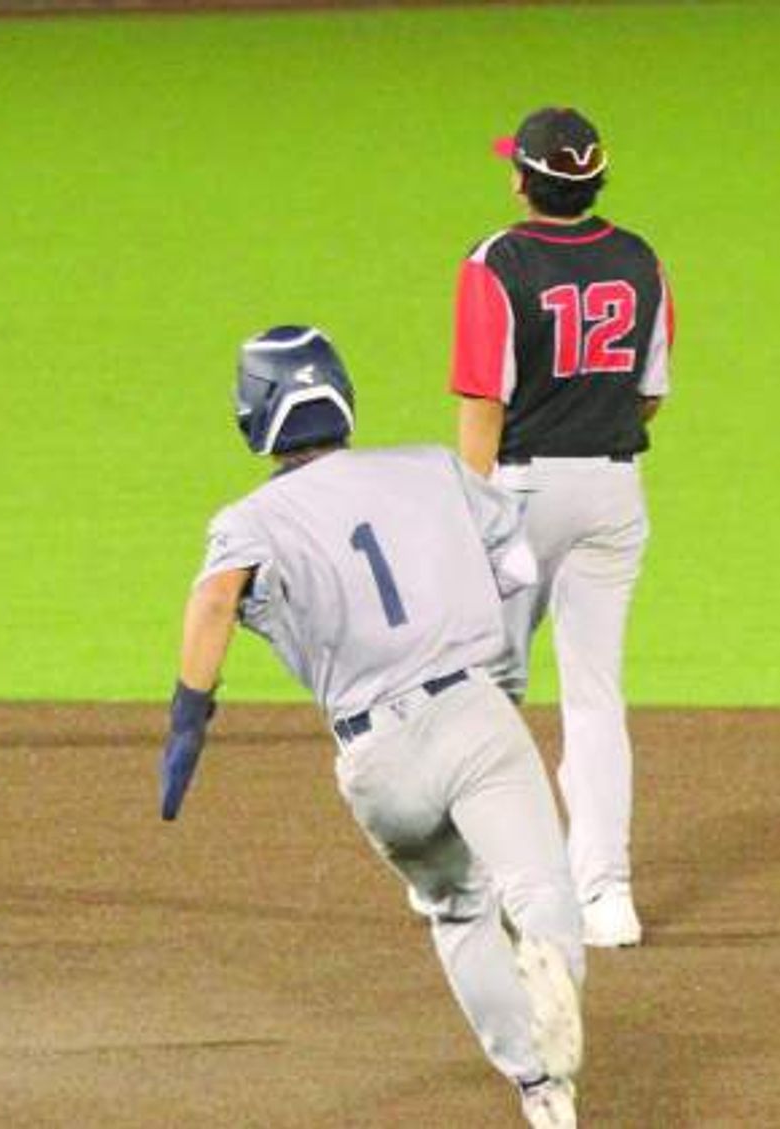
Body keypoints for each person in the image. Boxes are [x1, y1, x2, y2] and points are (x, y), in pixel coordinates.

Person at [159, 325, 585, 1128]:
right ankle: (550, 969)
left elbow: (216, 599)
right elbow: (519, 561)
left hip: (375, 760)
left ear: (254, 418)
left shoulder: (248, 519)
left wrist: (189, 721)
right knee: (538, 886)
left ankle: (537, 1087)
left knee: (457, 906)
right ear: (342, 396)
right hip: (469, 711)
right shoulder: (432, 468)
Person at [449, 107, 675, 947]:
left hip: (518, 492)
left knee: (488, 689)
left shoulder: (494, 262)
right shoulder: (641, 258)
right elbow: (651, 391)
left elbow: (483, 401)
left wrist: (468, 514)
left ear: (523, 178)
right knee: (594, 693)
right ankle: (606, 894)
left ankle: (478, 881)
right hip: (613, 494)